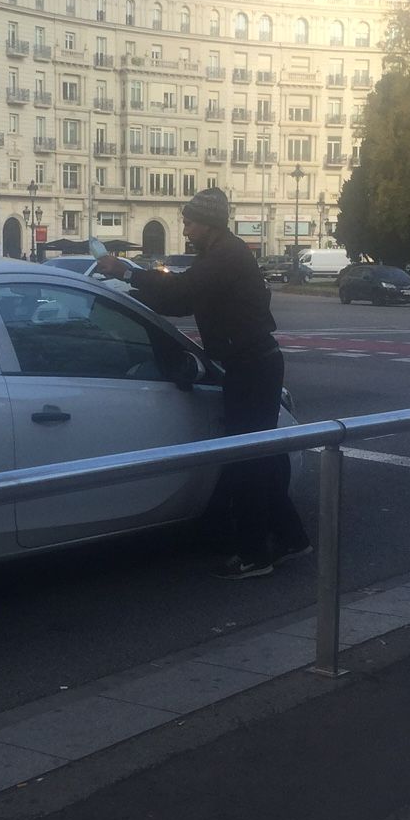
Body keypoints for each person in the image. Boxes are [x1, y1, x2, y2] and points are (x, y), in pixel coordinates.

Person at [94, 187, 311, 579]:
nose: (185, 230)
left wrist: (126, 271)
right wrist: (130, 296)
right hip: (252, 363)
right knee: (263, 454)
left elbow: (182, 290)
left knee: (246, 458)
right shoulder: (218, 254)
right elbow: (181, 303)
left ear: (209, 223)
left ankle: (254, 555)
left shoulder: (227, 255)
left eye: (190, 223)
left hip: (250, 367)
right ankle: (291, 537)